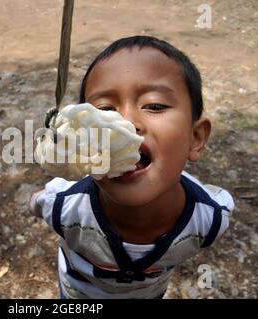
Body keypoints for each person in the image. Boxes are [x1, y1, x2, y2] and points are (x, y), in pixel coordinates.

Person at [28, 36, 234, 299]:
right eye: (104, 109)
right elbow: (38, 202)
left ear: (195, 138)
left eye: (154, 105)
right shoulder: (64, 206)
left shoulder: (209, 220)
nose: (125, 123)